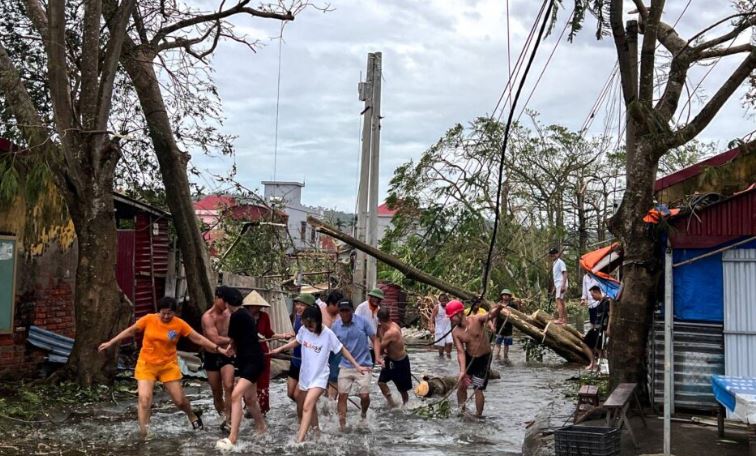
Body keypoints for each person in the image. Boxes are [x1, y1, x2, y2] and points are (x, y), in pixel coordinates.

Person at [98, 296, 228, 438]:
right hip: (147, 364)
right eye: (163, 313)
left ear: (174, 313)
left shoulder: (179, 324)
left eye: (169, 313)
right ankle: (145, 433)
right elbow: (131, 331)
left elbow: (198, 338)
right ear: (158, 311)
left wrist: (218, 349)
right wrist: (111, 342)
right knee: (144, 399)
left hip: (168, 366)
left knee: (179, 401)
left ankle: (191, 414)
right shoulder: (149, 319)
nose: (166, 316)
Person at [271, 305, 369, 443]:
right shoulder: (304, 330)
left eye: (311, 324)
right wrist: (279, 349)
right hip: (305, 375)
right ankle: (317, 433)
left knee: (307, 405)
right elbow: (297, 342)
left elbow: (342, 350)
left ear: (318, 320)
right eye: (306, 324)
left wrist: (357, 365)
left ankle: (299, 441)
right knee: (305, 403)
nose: (309, 327)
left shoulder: (328, 334)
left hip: (320, 377)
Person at [215, 288, 266, 451]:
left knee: (236, 394)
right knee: (250, 399)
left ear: (227, 302)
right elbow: (238, 340)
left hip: (253, 362)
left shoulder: (236, 316)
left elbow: (232, 339)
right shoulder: (245, 314)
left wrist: (230, 348)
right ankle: (261, 427)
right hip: (247, 361)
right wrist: (232, 348)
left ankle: (233, 437)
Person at [448, 299, 503, 417]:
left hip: (484, 358)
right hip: (469, 357)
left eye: (452, 317)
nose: (451, 319)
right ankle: (461, 411)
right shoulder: (456, 332)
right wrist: (462, 371)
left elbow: (490, 315)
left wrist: (498, 308)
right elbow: (460, 352)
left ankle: (478, 415)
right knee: (462, 385)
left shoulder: (476, 319)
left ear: (459, 313)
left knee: (478, 388)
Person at [332, 299, 381, 430]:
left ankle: (363, 413)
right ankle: (342, 425)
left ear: (352, 311)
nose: (344, 314)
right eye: (341, 311)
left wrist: (377, 357)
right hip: (345, 365)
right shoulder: (335, 326)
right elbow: (330, 345)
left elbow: (375, 339)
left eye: (347, 310)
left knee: (364, 396)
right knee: (342, 396)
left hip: (364, 364)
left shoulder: (362, 322)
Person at [242, 290, 290, 417]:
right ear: (248, 306)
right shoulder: (242, 317)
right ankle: (249, 406)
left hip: (263, 353)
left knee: (263, 382)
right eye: (253, 306)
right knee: (247, 381)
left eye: (258, 306)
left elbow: (269, 334)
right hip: (247, 353)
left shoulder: (264, 317)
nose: (256, 308)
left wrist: (283, 336)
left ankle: (262, 409)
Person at [201, 286, 235, 431]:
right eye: (224, 301)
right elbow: (214, 339)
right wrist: (234, 339)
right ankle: (222, 416)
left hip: (227, 354)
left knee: (229, 385)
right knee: (216, 391)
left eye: (228, 302)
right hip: (211, 355)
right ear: (216, 298)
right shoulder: (208, 317)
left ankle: (229, 419)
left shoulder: (230, 313)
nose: (226, 305)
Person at [376, 308, 413, 407]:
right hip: (391, 360)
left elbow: (381, 348)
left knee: (402, 389)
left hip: (400, 362)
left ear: (380, 320)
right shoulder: (393, 325)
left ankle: (405, 406)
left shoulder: (391, 332)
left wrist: (380, 356)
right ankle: (391, 402)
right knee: (381, 382)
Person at [286, 294, 309, 421]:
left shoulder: (312, 322)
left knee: (297, 394)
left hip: (305, 363)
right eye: (297, 304)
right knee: (290, 393)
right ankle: (307, 406)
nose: (298, 307)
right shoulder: (296, 317)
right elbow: (297, 337)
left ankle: (303, 418)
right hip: (295, 360)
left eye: (302, 305)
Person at [320, 290, 343, 400]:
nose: (339, 310)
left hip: (336, 350)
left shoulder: (341, 315)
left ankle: (331, 401)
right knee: (322, 377)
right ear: (331, 304)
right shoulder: (319, 311)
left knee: (334, 376)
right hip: (321, 350)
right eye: (338, 306)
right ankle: (323, 398)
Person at [582, 285, 612, 371]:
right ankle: (594, 363)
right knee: (587, 344)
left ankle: (598, 365)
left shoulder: (606, 302)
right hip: (596, 328)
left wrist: (608, 328)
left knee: (600, 349)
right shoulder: (599, 303)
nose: (592, 297)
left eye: (593, 295)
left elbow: (610, 316)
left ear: (598, 292)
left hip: (602, 329)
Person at [492, 289, 519, 362]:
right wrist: (493, 325)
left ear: (509, 297)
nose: (505, 297)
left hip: (508, 327)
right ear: (501, 296)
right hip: (499, 326)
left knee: (506, 344)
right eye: (504, 295)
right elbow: (495, 316)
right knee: (498, 343)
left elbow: (517, 314)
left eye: (507, 295)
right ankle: (496, 356)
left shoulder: (512, 305)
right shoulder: (498, 304)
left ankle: (506, 357)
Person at [429, 293, 453, 358]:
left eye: (445, 299)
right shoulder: (437, 307)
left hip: (448, 329)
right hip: (439, 329)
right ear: (439, 300)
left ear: (447, 300)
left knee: (450, 342)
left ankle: (448, 356)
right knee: (441, 346)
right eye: (442, 300)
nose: (444, 301)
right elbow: (432, 318)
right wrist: (431, 327)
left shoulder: (450, 307)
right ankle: (441, 360)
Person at [549, 247, 568, 324]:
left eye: (554, 254)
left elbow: (565, 273)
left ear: (557, 254)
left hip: (561, 283)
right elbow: (556, 277)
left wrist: (563, 285)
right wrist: (554, 288)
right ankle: (564, 319)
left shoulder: (560, 262)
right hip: (558, 284)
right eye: (551, 255)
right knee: (562, 301)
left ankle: (560, 319)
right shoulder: (554, 263)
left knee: (558, 300)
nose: (553, 256)